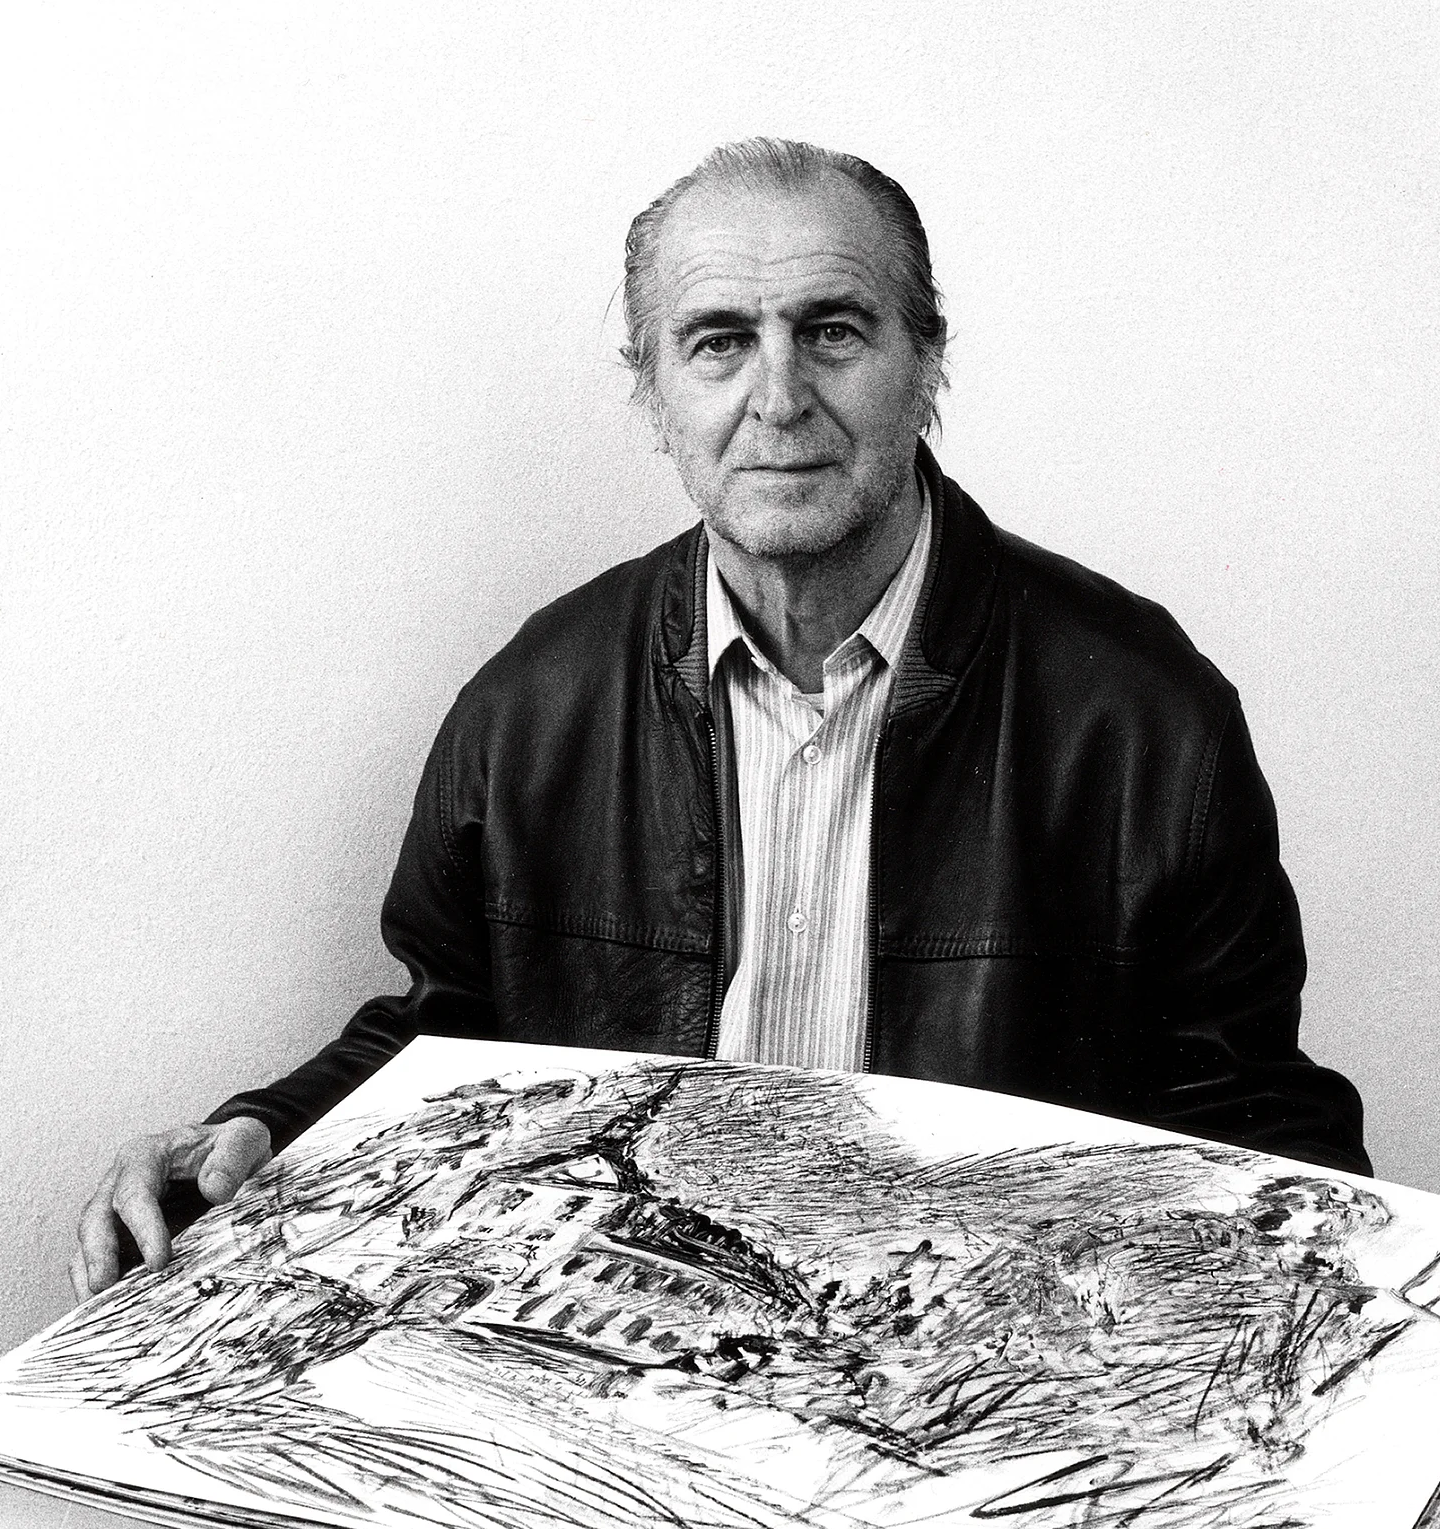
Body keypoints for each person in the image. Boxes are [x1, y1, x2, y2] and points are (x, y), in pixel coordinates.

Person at [70, 137, 1369, 1301]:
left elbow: (1249, 1125)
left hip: (973, 1373)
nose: (779, 396)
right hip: (641, 1358)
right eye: (719, 341)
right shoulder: (530, 711)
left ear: (928, 365)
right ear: (653, 393)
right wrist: (264, 1130)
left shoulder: (1143, 721)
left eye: (834, 331)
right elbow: (447, 1036)